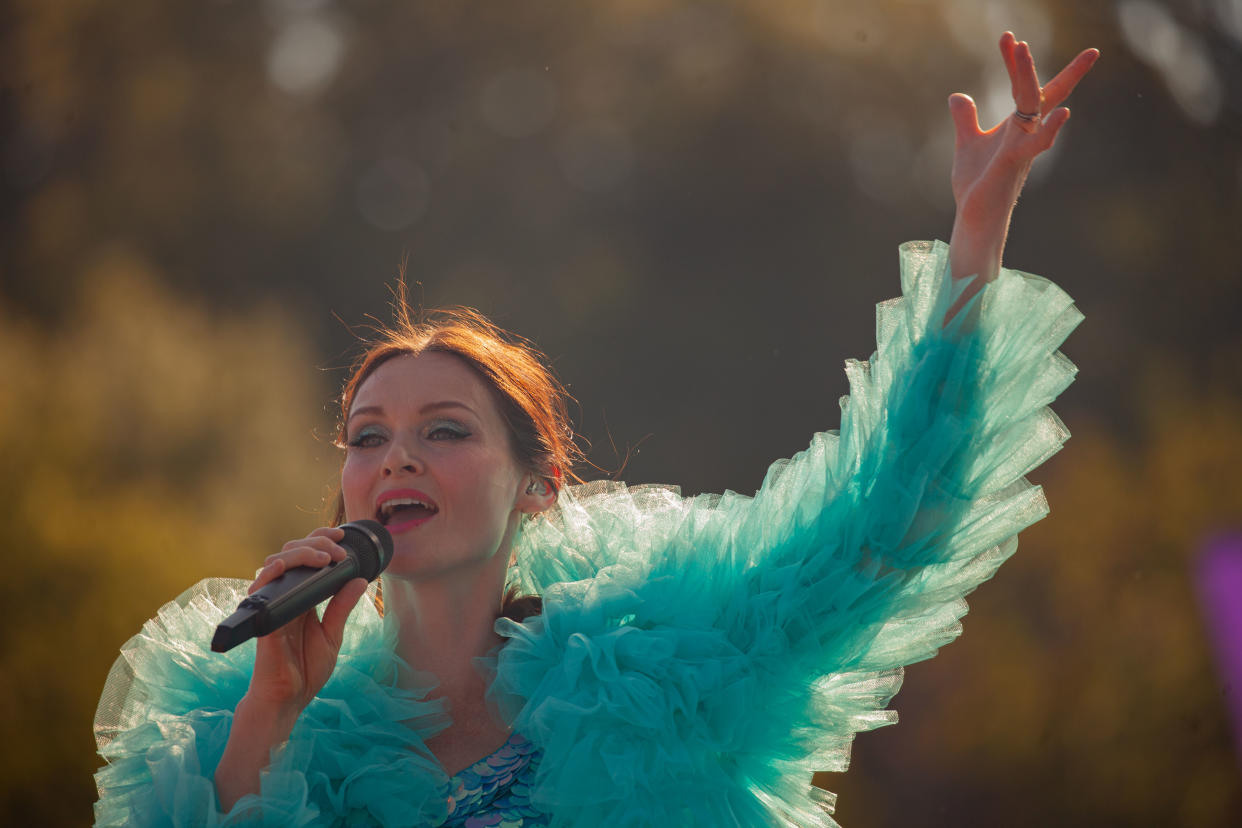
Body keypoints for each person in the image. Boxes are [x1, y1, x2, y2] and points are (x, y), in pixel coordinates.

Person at [93, 32, 1099, 827]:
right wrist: (272, 710)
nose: (395, 454)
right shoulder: (249, 720)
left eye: (444, 431)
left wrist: (976, 229)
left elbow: (884, 534)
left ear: (539, 482)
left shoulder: (664, 660)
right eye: (366, 437)